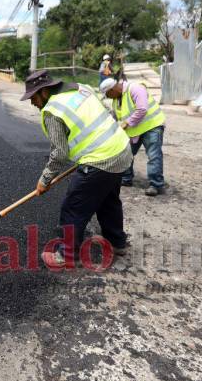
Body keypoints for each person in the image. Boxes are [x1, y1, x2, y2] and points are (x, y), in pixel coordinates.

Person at [21, 70, 133, 268]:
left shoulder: (52, 111)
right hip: (121, 149)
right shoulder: (81, 89)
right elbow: (106, 114)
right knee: (109, 200)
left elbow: (59, 153)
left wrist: (44, 180)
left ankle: (67, 255)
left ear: (45, 91)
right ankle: (117, 243)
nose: (32, 102)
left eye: (33, 97)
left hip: (100, 160)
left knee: (73, 208)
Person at [100, 78, 166, 197]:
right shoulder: (116, 100)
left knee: (153, 155)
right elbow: (116, 117)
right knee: (126, 152)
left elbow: (142, 109)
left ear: (113, 89)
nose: (108, 97)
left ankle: (156, 185)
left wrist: (126, 123)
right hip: (135, 129)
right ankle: (126, 179)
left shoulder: (135, 88)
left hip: (152, 125)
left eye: (108, 94)